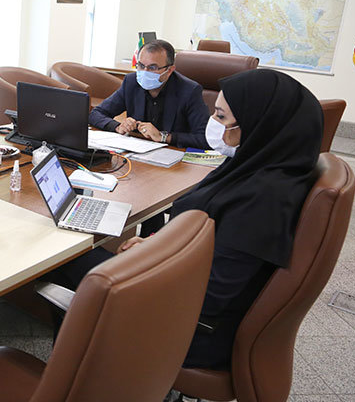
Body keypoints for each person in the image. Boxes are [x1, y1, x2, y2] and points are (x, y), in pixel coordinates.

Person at [52, 68, 323, 371]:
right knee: (76, 256)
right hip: (177, 286)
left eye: (221, 116)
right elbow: (207, 238)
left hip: (189, 328)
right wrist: (156, 243)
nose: (213, 123)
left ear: (259, 124)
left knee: (64, 258)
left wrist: (148, 265)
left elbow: (210, 297)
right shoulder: (255, 167)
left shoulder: (265, 201)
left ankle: (74, 377)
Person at [89, 39, 209, 235]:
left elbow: (204, 138)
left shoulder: (189, 90)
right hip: (138, 162)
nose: (144, 72)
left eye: (152, 67)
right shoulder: (131, 82)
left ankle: (155, 241)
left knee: (152, 198)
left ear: (169, 70)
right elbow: (96, 114)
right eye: (141, 65)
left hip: (175, 169)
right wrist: (118, 126)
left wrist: (163, 137)